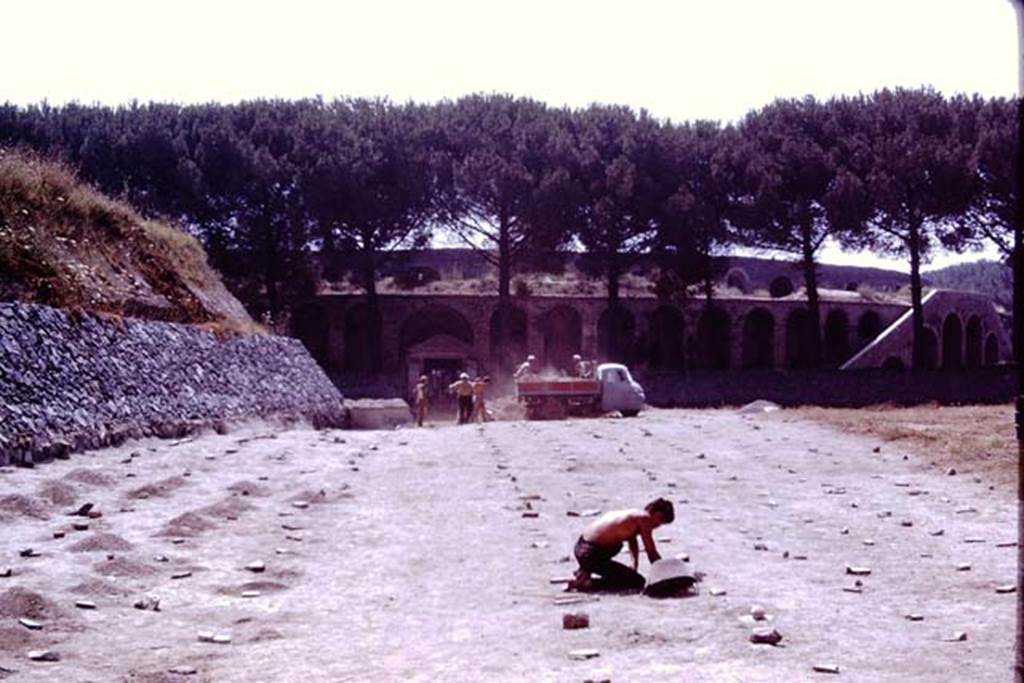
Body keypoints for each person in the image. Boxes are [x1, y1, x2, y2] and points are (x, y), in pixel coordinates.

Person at [567, 498, 675, 593]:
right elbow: (651, 553)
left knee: (617, 546)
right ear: (654, 512)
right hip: (590, 554)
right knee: (636, 582)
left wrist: (634, 565)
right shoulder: (645, 519)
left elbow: (632, 540)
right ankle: (586, 583)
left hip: (581, 547)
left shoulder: (634, 514)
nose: (657, 525)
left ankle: (585, 570)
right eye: (659, 520)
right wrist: (667, 576)